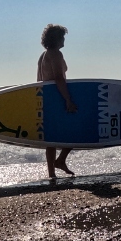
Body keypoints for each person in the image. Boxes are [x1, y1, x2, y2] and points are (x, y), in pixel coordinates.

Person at [38, 24, 77, 178]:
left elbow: (39, 81)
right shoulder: (56, 54)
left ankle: (52, 174)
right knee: (74, 131)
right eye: (62, 37)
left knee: (51, 138)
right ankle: (60, 160)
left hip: (47, 99)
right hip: (58, 97)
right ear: (57, 38)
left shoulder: (43, 55)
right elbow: (59, 78)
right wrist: (67, 99)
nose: (64, 41)